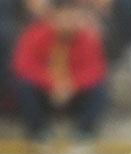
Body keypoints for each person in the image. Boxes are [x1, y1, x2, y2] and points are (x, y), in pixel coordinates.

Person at [10, 0, 107, 144]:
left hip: (75, 93)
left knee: (99, 89)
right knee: (23, 85)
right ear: (52, 17)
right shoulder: (35, 34)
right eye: (62, 17)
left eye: (71, 17)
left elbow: (95, 70)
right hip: (44, 92)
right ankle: (38, 131)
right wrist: (53, 84)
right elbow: (24, 65)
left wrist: (72, 85)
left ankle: (85, 131)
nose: (66, 22)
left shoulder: (88, 38)